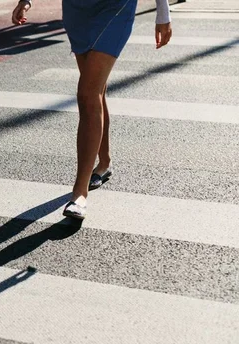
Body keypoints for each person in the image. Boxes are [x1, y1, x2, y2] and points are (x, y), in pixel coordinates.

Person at [12, 0, 172, 219]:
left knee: (87, 94)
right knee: (94, 92)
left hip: (115, 8)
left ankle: (79, 194)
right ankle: (104, 162)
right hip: (77, 10)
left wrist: (163, 13)